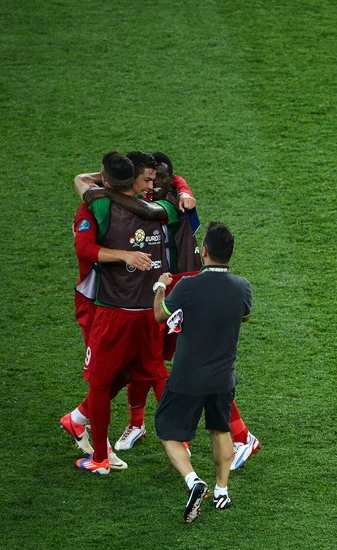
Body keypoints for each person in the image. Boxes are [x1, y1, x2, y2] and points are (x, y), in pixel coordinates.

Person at [71, 151, 179, 474]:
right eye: (145, 177)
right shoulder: (164, 209)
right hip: (150, 310)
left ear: (106, 178)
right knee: (156, 373)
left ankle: (100, 458)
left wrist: (105, 185)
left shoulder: (98, 203)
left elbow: (83, 246)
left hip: (113, 313)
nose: (151, 182)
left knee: (101, 383)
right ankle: (180, 439)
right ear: (134, 178)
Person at [153, 221, 252, 522]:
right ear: (230, 253)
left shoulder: (188, 286)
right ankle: (222, 491)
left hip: (187, 377)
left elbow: (160, 315)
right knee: (221, 430)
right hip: (223, 378)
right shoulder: (242, 287)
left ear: (204, 252)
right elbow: (244, 316)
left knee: (167, 430)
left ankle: (193, 480)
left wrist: (159, 287)